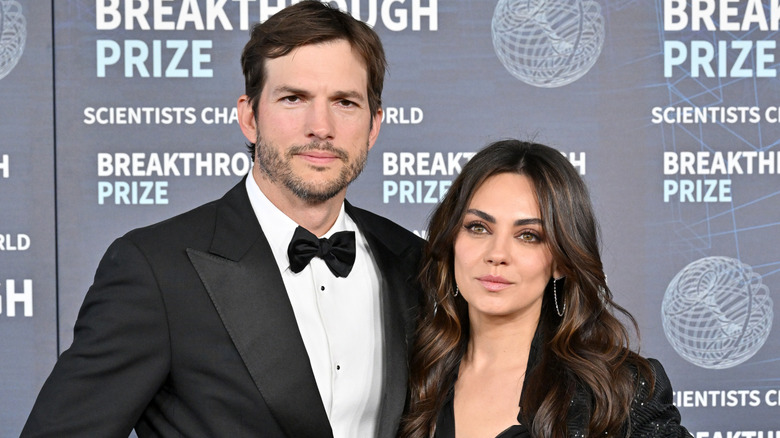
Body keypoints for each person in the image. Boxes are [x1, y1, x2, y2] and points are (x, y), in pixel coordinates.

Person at [22, 2, 423, 437]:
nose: (320, 126)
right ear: (250, 117)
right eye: (294, 99)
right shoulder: (156, 268)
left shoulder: (414, 262)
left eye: (345, 103)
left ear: (374, 125)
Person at [400, 140, 692, 438]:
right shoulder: (407, 375)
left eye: (528, 235)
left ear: (561, 262)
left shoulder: (619, 389)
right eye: (478, 227)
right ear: (451, 241)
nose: (497, 254)